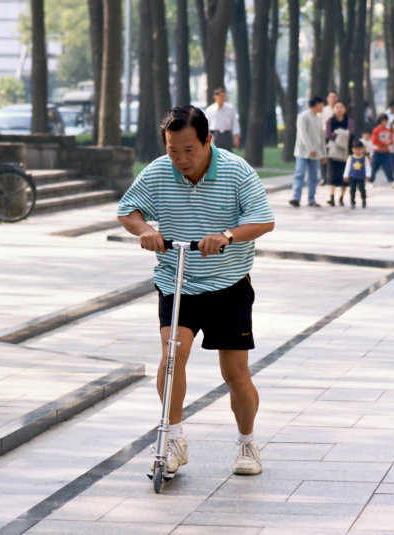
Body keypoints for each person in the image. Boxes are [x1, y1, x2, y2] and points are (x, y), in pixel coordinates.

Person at [116, 105, 275, 477]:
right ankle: (173, 438)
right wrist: (145, 230)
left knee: (235, 373)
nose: (181, 159)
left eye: (189, 150)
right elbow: (127, 210)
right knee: (173, 355)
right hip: (178, 280)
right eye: (173, 150)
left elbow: (263, 219)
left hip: (229, 284)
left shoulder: (236, 171)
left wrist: (227, 236)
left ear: (208, 140)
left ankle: (247, 443)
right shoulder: (158, 171)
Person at [290, 96, 327, 207]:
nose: (323, 107)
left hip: (316, 154)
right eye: (322, 104)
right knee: (299, 174)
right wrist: (310, 149)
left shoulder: (318, 119)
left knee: (313, 177)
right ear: (317, 104)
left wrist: (324, 154)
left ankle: (311, 199)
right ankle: (296, 198)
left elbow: (321, 138)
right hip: (303, 152)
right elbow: (303, 134)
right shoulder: (303, 117)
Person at [324, 101, 354, 206]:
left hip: (346, 152)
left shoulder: (349, 121)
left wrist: (337, 133)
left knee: (344, 176)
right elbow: (328, 135)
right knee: (332, 175)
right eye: (337, 107)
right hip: (333, 151)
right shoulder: (330, 121)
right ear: (333, 109)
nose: (339, 109)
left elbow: (351, 134)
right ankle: (331, 197)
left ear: (345, 109)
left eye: (341, 107)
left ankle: (341, 197)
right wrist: (342, 134)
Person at [204, 87, 241, 152]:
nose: (223, 98)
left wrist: (236, 136)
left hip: (226, 136)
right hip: (215, 135)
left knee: (228, 156)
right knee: (215, 155)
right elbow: (206, 125)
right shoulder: (210, 110)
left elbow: (235, 123)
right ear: (215, 97)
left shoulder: (230, 108)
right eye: (221, 96)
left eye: (224, 96)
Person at [369, 114, 394, 188]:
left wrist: (387, 144)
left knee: (388, 167)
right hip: (377, 151)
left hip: (386, 152)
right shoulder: (376, 130)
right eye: (384, 121)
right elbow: (374, 140)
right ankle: (370, 181)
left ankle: (391, 181)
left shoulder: (388, 130)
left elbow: (391, 140)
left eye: (386, 121)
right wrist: (383, 144)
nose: (385, 122)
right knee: (374, 167)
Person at [319, 90, 338, 185]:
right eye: (331, 97)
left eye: (334, 97)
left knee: (334, 156)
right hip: (325, 135)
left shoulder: (339, 109)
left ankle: (333, 177)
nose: (332, 99)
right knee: (323, 156)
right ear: (327, 99)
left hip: (336, 136)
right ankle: (323, 177)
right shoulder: (324, 110)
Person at [343, 138, 369, 209]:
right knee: (352, 189)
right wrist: (345, 175)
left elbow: (367, 167)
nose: (358, 151)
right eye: (356, 149)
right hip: (352, 176)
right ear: (352, 149)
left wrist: (368, 175)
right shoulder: (350, 158)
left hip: (361, 176)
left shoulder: (364, 158)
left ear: (363, 149)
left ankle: (363, 200)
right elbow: (347, 167)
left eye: (359, 149)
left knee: (362, 189)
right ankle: (352, 202)